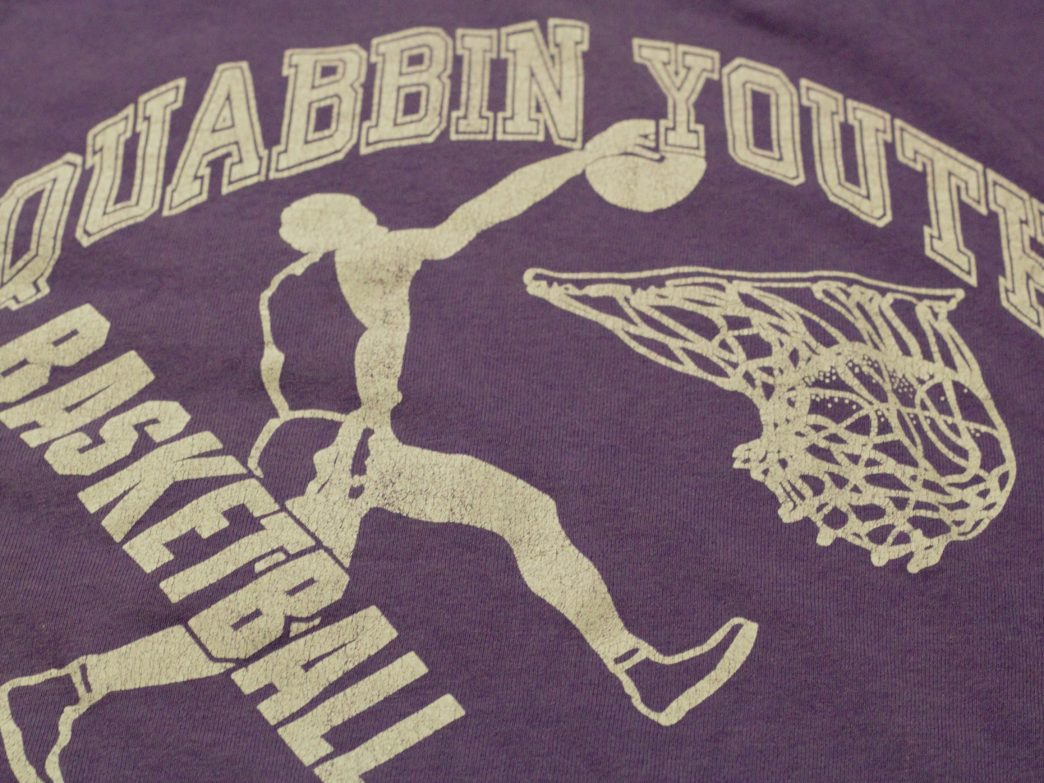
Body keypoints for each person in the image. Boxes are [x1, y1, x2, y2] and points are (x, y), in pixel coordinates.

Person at [0, 121, 756, 782]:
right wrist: (583, 156)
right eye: (357, 210)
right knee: (275, 619)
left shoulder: (285, 290)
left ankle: (639, 669)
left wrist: (339, 438)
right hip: (339, 449)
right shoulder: (369, 257)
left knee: (519, 514)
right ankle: (64, 689)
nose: (372, 213)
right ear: (342, 222)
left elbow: (282, 379)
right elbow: (473, 219)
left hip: (331, 443)